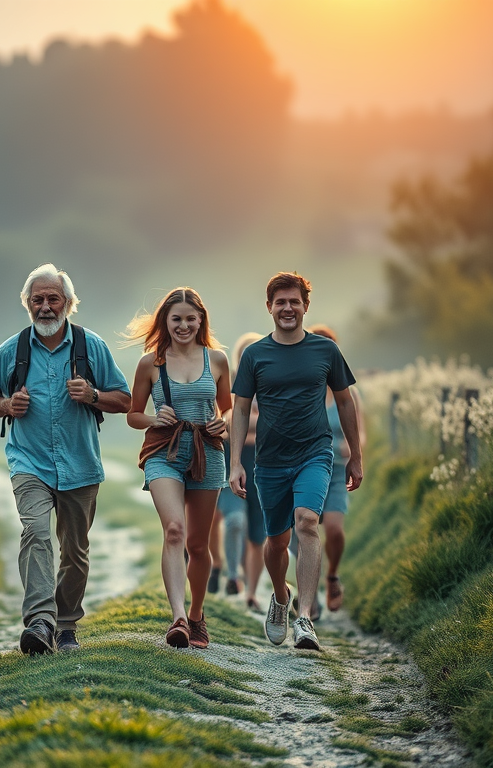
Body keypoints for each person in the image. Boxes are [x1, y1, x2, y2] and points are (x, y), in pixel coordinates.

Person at [0, 264, 131, 655]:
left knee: (75, 552)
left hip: (80, 464)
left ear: (68, 304)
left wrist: (93, 395)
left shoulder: (90, 346)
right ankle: (40, 622)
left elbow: (125, 400)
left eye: (53, 299)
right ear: (28, 304)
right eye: (37, 300)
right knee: (37, 533)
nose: (45, 307)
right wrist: (8, 405)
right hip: (29, 463)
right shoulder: (10, 351)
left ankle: (65, 626)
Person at [229, 272, 363, 652]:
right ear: (269, 307)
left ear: (306, 306)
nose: (288, 308)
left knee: (307, 521)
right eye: (280, 302)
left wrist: (355, 454)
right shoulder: (256, 355)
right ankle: (280, 598)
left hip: (315, 453)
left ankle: (304, 618)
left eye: (295, 301)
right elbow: (239, 410)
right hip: (269, 460)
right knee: (276, 540)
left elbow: (345, 401)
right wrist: (236, 462)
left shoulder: (326, 351)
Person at [124, 287, 232, 649]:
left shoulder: (216, 360)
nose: (183, 325)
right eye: (176, 319)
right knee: (174, 530)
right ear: (165, 322)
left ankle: (198, 616)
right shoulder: (150, 363)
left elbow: (229, 408)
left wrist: (224, 422)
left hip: (207, 452)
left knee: (198, 545)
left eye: (190, 318)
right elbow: (133, 415)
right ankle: (178, 618)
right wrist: (154, 418)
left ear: (200, 320)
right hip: (163, 453)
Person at [287, 324, 367, 617]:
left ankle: (332, 575)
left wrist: (353, 451)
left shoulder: (347, 392)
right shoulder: (302, 388)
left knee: (333, 530)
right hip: (304, 465)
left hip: (335, 470)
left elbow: (361, 433)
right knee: (303, 528)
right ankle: (311, 596)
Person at [210, 332, 266, 613]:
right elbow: (225, 421)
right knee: (233, 521)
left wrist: (243, 424)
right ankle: (233, 575)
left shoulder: (271, 385)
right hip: (232, 463)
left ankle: (253, 593)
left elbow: (273, 423)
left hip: (265, 467)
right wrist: (248, 425)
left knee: (258, 537)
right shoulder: (229, 385)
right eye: (244, 355)